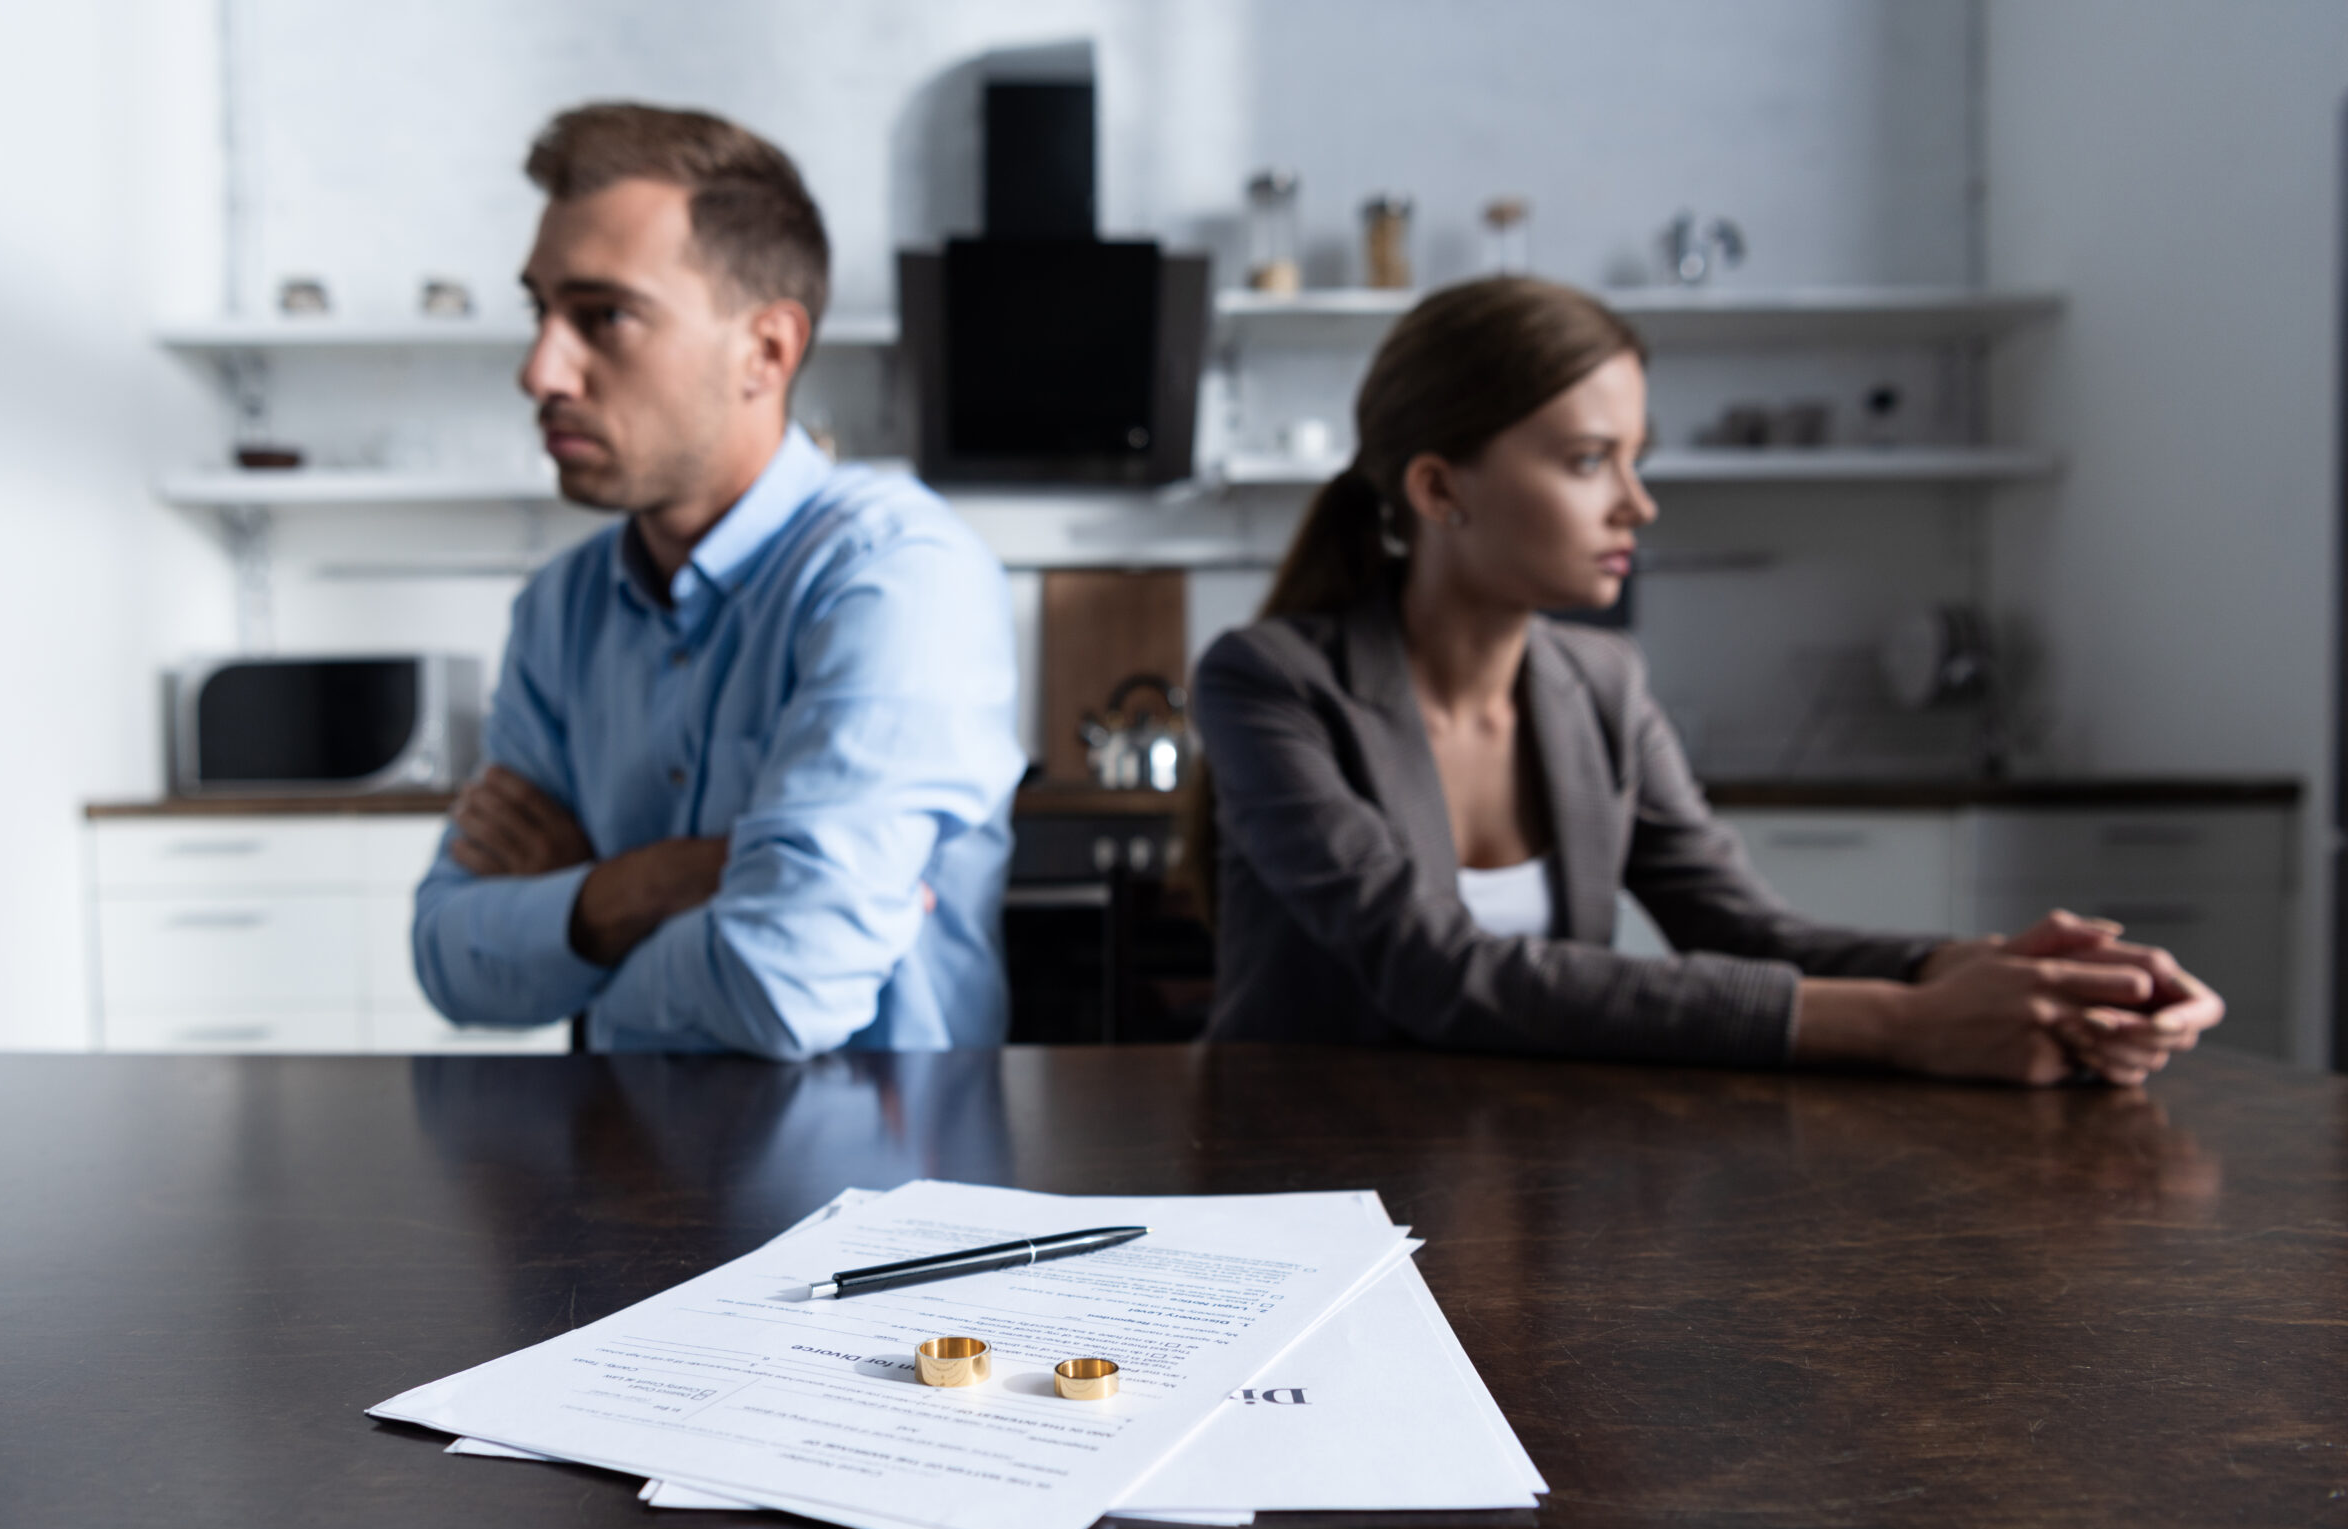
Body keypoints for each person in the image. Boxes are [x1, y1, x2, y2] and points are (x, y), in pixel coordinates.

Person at [1188, 276, 2221, 1085]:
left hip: (1521, 1162)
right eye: (1590, 460)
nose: (1637, 504)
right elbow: (1434, 970)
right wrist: (1908, 1027)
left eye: (1636, 459)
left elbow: (1744, 931)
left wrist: (2002, 973)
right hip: (1302, 1181)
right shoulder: (1269, 681)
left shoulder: (1600, 684)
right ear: (1438, 487)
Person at [412, 104, 1021, 1058]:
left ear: (767, 351)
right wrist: (658, 878)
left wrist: (581, 902)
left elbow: (783, 985)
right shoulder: (558, 611)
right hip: (618, 1181)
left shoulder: (896, 579)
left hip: (881, 1188)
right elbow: (448, 956)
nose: (541, 371)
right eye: (541, 311)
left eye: (604, 315)